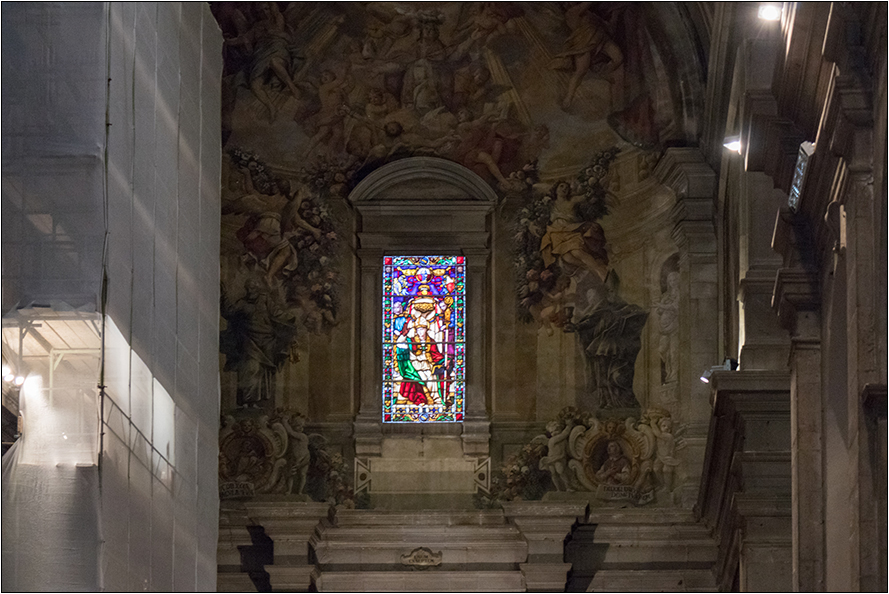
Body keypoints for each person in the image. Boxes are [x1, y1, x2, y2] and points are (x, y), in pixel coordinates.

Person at [539, 419, 575, 491]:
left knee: (560, 471)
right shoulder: (553, 440)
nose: (554, 433)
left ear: (560, 429)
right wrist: (569, 425)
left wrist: (569, 425)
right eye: (551, 432)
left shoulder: (561, 438)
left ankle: (568, 487)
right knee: (553, 473)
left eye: (556, 430)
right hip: (551, 458)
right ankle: (558, 489)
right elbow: (565, 434)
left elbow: (565, 434)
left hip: (559, 457)